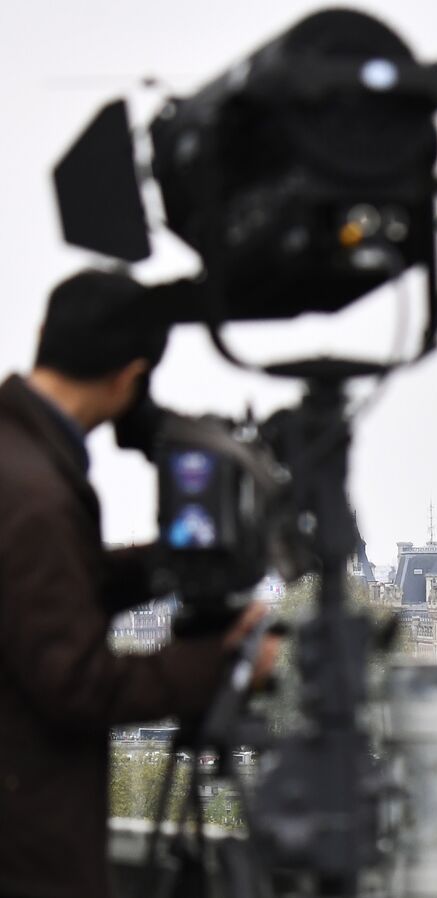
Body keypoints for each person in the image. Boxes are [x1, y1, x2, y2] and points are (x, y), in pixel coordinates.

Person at [0, 270, 279, 898]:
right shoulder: (38, 496)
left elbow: (39, 594)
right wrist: (223, 663)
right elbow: (79, 686)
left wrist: (163, 565)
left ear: (45, 335)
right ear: (131, 376)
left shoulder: (16, 462)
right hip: (27, 849)